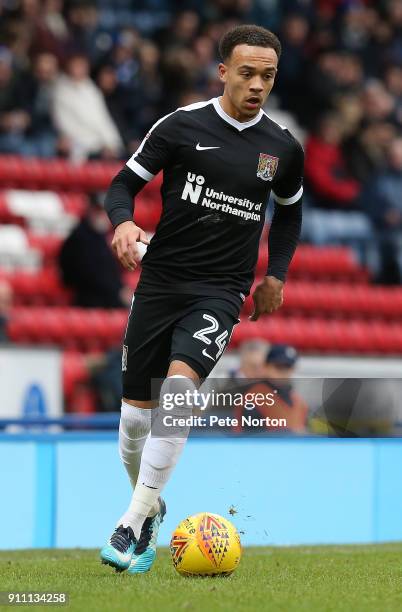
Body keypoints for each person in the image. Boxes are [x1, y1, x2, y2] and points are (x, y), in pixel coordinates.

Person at [100, 24, 304, 575]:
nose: (257, 84)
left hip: (220, 290)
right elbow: (121, 185)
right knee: (132, 427)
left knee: (179, 393)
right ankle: (152, 508)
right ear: (222, 72)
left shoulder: (283, 148)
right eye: (247, 73)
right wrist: (123, 223)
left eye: (268, 75)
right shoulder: (181, 126)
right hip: (160, 282)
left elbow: (289, 213)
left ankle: (130, 521)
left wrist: (275, 275)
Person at [59, 192, 130, 308]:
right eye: (99, 210)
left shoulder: (100, 237)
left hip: (106, 301)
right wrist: (118, 291)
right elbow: (89, 274)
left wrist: (120, 289)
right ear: (90, 210)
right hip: (90, 303)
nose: (103, 215)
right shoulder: (79, 238)